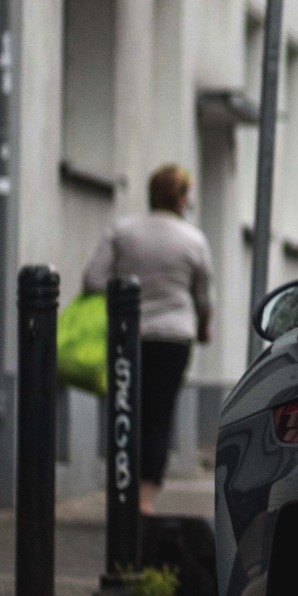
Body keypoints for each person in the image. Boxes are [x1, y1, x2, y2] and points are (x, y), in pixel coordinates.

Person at [84, 165, 214, 512]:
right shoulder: (193, 239)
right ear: (183, 197)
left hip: (128, 337)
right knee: (159, 415)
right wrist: (204, 328)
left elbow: (93, 280)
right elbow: (203, 298)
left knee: (125, 410)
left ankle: (120, 489)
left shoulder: (123, 231)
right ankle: (144, 500)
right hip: (174, 339)